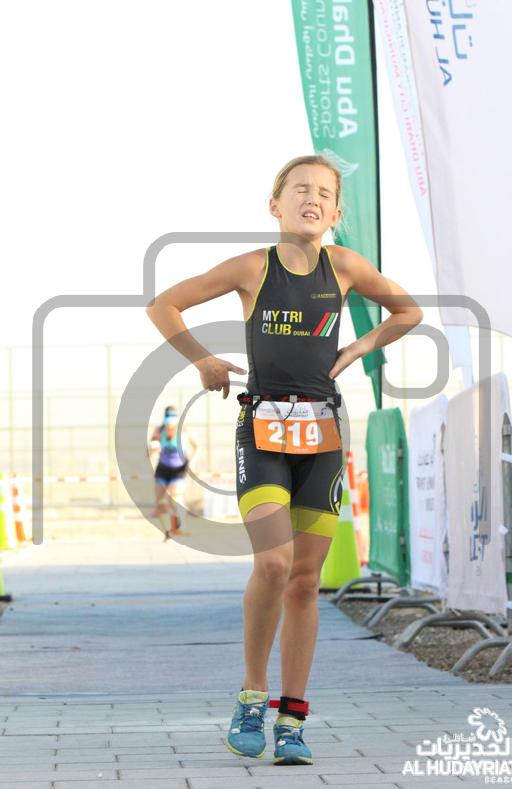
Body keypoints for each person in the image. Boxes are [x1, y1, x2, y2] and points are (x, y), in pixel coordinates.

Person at [145, 154, 423, 765]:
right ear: (275, 204)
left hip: (323, 434)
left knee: (304, 580)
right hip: (263, 431)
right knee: (273, 564)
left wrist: (360, 346)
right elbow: (164, 304)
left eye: (324, 192)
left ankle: (292, 720)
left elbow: (409, 311)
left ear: (336, 212)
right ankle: (252, 696)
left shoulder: (344, 266)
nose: (311, 199)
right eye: (300, 189)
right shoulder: (253, 267)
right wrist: (202, 359)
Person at [147, 405, 197, 539]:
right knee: (159, 503)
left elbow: (196, 446)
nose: (170, 423)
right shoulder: (159, 430)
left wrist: (191, 462)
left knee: (174, 498)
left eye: (172, 419)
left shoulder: (183, 430)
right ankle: (169, 531)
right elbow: (149, 452)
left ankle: (181, 527)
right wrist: (152, 450)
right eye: (168, 419)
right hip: (162, 469)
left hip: (178, 470)